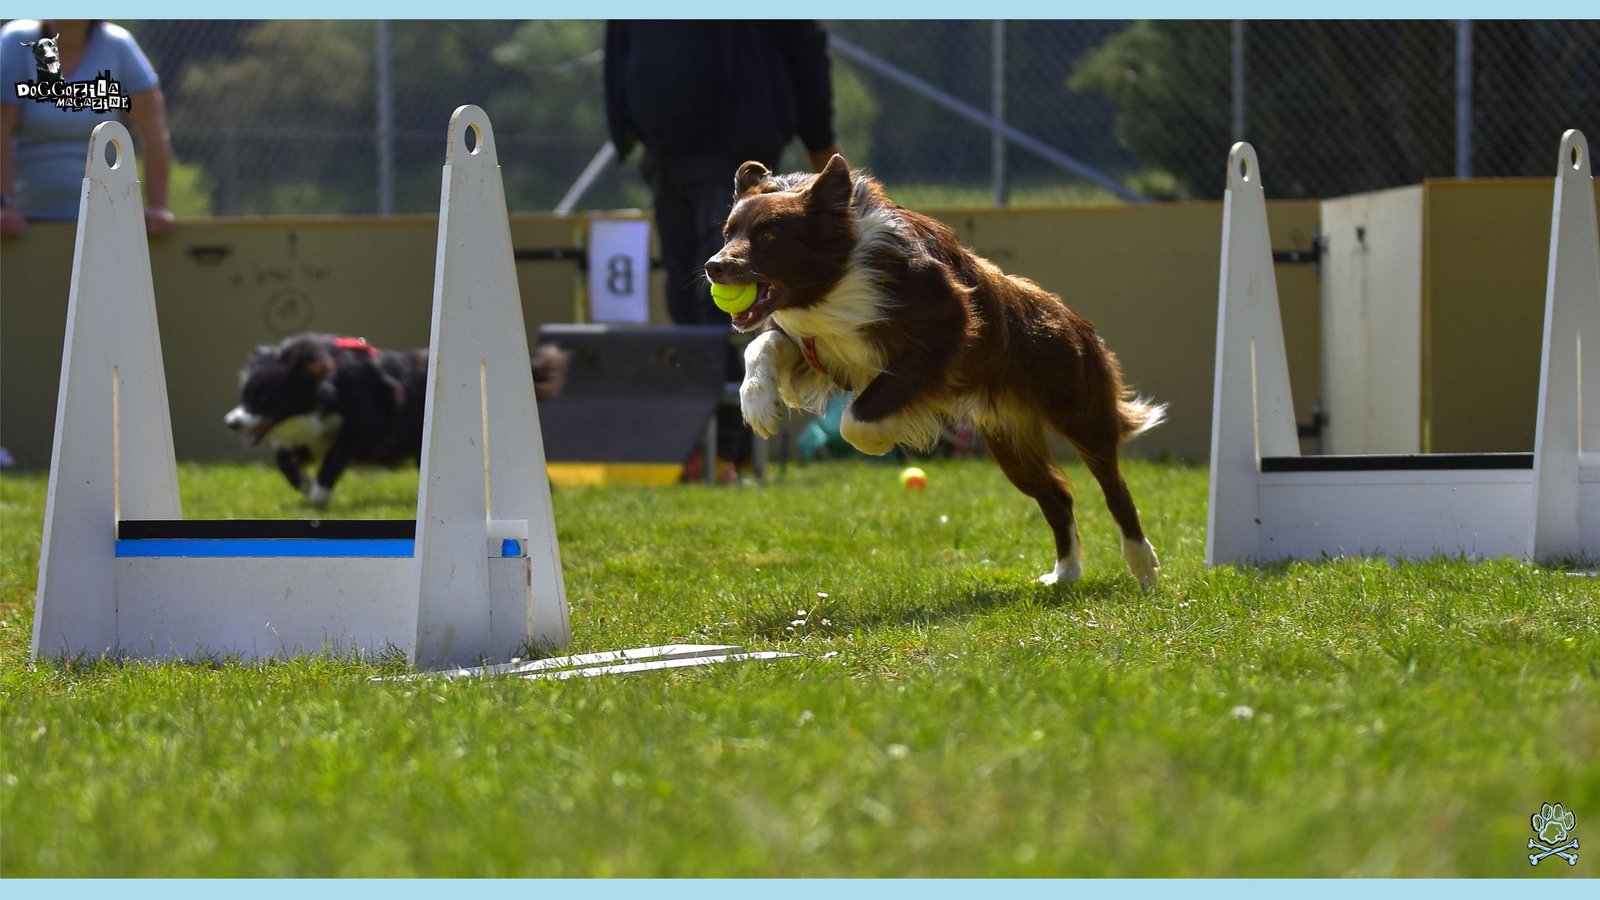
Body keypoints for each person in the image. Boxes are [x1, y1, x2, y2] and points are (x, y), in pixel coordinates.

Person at [604, 20, 840, 327]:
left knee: (726, 278)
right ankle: (696, 370)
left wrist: (819, 140)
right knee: (682, 287)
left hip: (734, 146)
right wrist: (621, 124)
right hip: (663, 149)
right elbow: (619, 39)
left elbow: (803, 44)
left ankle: (729, 373)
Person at [1, 19, 174, 237]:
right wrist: (3, 207)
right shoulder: (15, 41)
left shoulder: (118, 46)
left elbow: (153, 131)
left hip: (107, 225)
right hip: (22, 228)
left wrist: (157, 208)